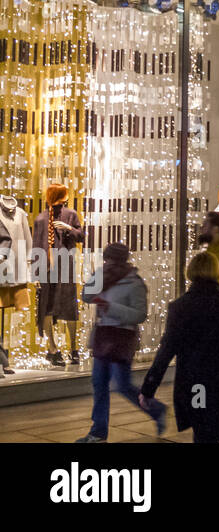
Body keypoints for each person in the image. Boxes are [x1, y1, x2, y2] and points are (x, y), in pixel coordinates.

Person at [139, 251, 219, 443]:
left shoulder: (179, 307)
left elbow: (166, 351)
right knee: (215, 429)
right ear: (216, 272)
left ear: (191, 272)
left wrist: (148, 388)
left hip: (193, 382)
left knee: (202, 429)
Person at [76, 243, 166, 442]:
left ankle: (157, 410)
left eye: (110, 259)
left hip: (121, 338)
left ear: (119, 259)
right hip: (102, 335)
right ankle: (98, 432)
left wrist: (111, 307)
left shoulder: (134, 283)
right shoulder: (102, 276)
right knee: (99, 384)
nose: (107, 263)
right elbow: (85, 295)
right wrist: (97, 278)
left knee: (123, 385)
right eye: (105, 259)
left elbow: (140, 315)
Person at [34, 184, 83, 366]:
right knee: (46, 307)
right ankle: (52, 348)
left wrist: (68, 228)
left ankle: (73, 348)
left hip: (65, 268)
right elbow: (37, 246)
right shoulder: (41, 219)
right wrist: (37, 274)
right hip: (47, 270)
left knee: (69, 307)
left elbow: (81, 236)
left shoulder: (70, 214)